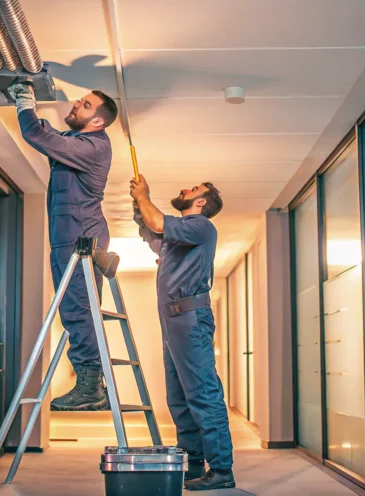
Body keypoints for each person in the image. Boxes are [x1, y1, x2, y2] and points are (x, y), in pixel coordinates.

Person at [8, 82, 118, 411]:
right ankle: (88, 378)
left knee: (78, 310)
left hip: (80, 236)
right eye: (81, 101)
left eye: (85, 105)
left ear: (97, 121)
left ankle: (89, 384)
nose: (76, 105)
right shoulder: (76, 141)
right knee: (72, 310)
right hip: (67, 235)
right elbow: (50, 135)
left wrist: (25, 103)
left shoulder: (93, 147)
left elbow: (39, 136)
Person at [129, 175, 235, 491]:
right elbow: (152, 231)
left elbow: (159, 223)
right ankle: (194, 464)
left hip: (189, 319)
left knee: (203, 393)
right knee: (179, 397)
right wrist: (139, 204)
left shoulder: (201, 226)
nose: (186, 190)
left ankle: (221, 470)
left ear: (200, 202)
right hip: (174, 322)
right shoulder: (181, 236)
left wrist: (146, 195)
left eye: (194, 190)